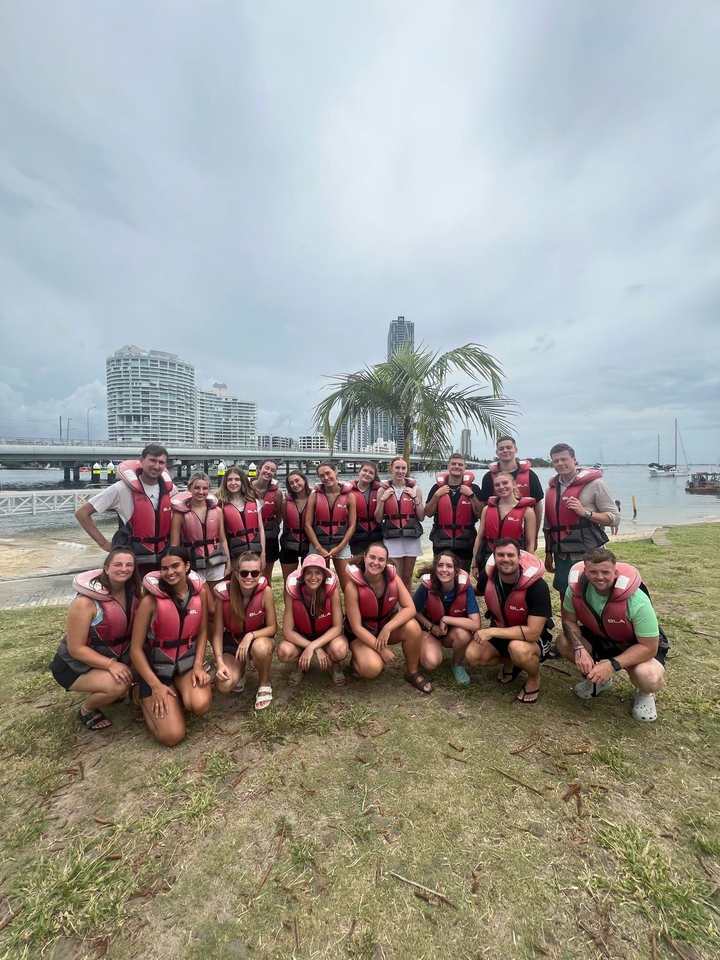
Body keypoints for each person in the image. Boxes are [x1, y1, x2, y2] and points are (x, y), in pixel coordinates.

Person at [556, 547, 668, 722]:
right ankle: (597, 680)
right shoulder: (576, 589)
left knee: (649, 677)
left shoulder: (637, 600)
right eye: (593, 572)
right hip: (600, 636)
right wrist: (579, 648)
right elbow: (568, 621)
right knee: (564, 642)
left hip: (634, 642)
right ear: (585, 571)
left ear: (615, 572)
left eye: (605, 572)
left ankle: (645, 693)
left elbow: (649, 647)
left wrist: (612, 665)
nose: (599, 577)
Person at [49, 549, 141, 731]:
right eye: (118, 564)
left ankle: (116, 691)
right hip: (73, 667)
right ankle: (86, 710)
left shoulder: (133, 593)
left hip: (113, 656)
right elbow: (76, 649)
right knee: (118, 684)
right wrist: (111, 665)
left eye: (129, 565)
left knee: (145, 662)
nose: (124, 569)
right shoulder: (85, 603)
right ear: (106, 568)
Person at [130, 547, 212, 746]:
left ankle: (178, 690)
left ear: (187, 566)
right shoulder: (150, 602)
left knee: (199, 705)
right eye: (164, 568)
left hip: (185, 665)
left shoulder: (199, 595)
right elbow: (135, 650)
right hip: (157, 671)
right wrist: (155, 686)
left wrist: (199, 665)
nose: (170, 572)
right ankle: (138, 696)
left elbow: (202, 633)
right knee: (172, 736)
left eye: (175, 566)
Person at [465, 538, 553, 704]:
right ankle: (511, 663)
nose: (505, 559)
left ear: (519, 558)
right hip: (501, 630)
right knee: (472, 655)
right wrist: (455, 586)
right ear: (494, 557)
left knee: (517, 648)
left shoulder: (537, 587)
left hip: (530, 640)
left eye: (510, 555)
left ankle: (534, 678)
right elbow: (479, 590)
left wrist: (491, 631)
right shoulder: (489, 575)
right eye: (500, 555)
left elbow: (533, 633)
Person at [343, 542, 432, 694]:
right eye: (372, 557)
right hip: (362, 634)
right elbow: (356, 628)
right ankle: (356, 660)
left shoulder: (393, 578)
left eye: (381, 559)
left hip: (384, 628)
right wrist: (382, 649)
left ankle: (412, 672)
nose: (375, 563)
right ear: (365, 557)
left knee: (412, 626)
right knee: (372, 669)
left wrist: (388, 627)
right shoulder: (352, 587)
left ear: (386, 562)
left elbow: (410, 608)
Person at [75, 444, 177, 568]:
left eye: (161, 462)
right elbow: (82, 513)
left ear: (165, 465)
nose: (156, 466)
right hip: (131, 558)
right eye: (152, 460)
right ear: (141, 460)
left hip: (162, 557)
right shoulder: (121, 488)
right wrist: (104, 544)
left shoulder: (170, 489)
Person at [543, 443, 620, 602]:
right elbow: (548, 525)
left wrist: (585, 512)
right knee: (565, 594)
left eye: (564, 459)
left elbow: (615, 518)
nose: (560, 464)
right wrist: (548, 554)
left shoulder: (595, 485)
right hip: (562, 553)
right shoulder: (551, 489)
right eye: (556, 461)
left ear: (574, 459)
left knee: (593, 594)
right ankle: (568, 625)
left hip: (588, 550)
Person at [211, 552, 276, 710]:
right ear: (236, 575)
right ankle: (240, 669)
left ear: (260, 575)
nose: (249, 577)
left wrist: (250, 635)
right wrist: (219, 663)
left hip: (258, 639)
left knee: (260, 648)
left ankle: (264, 684)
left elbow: (273, 628)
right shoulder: (223, 596)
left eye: (254, 573)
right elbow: (218, 633)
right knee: (224, 685)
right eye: (244, 573)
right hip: (233, 642)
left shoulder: (265, 592)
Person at [278, 554, 349, 686]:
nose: (313, 577)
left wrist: (313, 646)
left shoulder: (332, 591)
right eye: (308, 573)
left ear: (323, 575)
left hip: (327, 637)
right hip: (303, 636)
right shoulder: (292, 593)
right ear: (303, 575)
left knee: (339, 650)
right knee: (283, 652)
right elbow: (287, 631)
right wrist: (314, 648)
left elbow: (337, 627)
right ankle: (301, 664)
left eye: (318, 573)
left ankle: (334, 666)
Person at [413, 551, 481, 684]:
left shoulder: (465, 588)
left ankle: (457, 664)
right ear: (435, 569)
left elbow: (475, 624)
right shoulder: (426, 587)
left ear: (456, 571)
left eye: (449, 566)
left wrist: (446, 619)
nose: (444, 570)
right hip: (430, 630)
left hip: (453, 632)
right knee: (430, 663)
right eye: (440, 565)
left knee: (463, 634)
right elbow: (413, 611)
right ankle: (423, 649)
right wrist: (431, 627)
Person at [472, 472, 537, 591]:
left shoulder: (527, 511)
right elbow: (479, 537)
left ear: (514, 484)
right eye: (497, 485)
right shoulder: (487, 509)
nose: (501, 487)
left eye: (505, 483)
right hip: (488, 557)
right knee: (489, 590)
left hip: (513, 560)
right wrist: (475, 563)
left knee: (512, 591)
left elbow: (530, 542)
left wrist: (529, 565)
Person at [424, 453, 483, 572]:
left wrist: (471, 495)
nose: (457, 466)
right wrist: (436, 496)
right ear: (448, 466)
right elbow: (428, 513)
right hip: (441, 540)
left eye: (460, 464)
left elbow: (480, 514)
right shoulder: (437, 488)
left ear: (464, 468)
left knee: (462, 576)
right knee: (441, 575)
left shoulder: (474, 489)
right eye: (454, 464)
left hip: (465, 540)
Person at [375, 457, 425, 592]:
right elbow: (378, 518)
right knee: (394, 576)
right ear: (391, 468)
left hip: (411, 537)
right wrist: (383, 499)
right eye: (397, 468)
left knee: (407, 576)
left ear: (407, 469)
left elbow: (421, 516)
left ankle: (407, 606)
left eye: (403, 468)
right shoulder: (382, 490)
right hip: (392, 537)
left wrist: (415, 498)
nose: (400, 471)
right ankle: (394, 606)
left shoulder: (416, 489)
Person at [304, 461, 357, 589]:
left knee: (347, 584)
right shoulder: (314, 495)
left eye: (328, 473)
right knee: (318, 584)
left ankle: (349, 609)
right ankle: (320, 609)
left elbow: (352, 526)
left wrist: (339, 548)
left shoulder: (349, 496)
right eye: (322, 476)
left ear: (335, 472)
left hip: (341, 545)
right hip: (318, 544)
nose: (326, 478)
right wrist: (319, 548)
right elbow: (307, 525)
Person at [170, 473, 230, 584]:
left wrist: (228, 563)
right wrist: (176, 567)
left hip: (216, 562)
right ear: (189, 488)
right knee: (202, 599)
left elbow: (222, 539)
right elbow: (174, 546)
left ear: (209, 489)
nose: (201, 492)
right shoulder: (179, 515)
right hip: (193, 564)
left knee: (218, 598)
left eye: (205, 488)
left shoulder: (217, 511)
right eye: (197, 488)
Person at [481, 437, 545, 529]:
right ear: (497, 452)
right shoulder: (488, 477)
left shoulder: (530, 475)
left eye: (509, 447)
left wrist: (535, 535)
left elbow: (538, 505)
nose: (505, 451)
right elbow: (485, 506)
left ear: (515, 450)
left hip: (523, 533)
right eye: (501, 449)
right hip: (497, 533)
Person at [217, 467, 266, 564]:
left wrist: (263, 553)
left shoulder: (254, 502)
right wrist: (228, 561)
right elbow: (221, 536)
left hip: (255, 552)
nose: (233, 483)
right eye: (230, 480)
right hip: (235, 553)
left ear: (242, 481)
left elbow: (261, 529)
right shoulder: (221, 504)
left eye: (237, 479)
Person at [251, 459, 284, 582]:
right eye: (266, 468)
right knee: (251, 571)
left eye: (272, 470)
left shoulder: (277, 493)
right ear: (259, 469)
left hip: (270, 535)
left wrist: (272, 527)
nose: (268, 472)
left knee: (266, 576)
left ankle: (266, 599)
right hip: (251, 534)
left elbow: (279, 514)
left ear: (274, 474)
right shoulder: (247, 489)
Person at [280, 470, 312, 583]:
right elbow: (285, 521)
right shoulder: (285, 503)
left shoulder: (314, 498)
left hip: (308, 545)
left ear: (304, 480)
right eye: (291, 483)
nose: (295, 484)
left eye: (297, 480)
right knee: (289, 581)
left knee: (308, 581)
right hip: (289, 545)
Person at [348, 462, 383, 555]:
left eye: (371, 473)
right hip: (357, 536)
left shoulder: (380, 490)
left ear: (374, 476)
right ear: (359, 471)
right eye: (365, 471)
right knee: (359, 565)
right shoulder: (348, 490)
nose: (367, 474)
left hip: (377, 535)